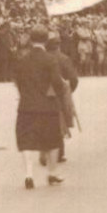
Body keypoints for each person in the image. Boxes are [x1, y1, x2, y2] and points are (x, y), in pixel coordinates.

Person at [14, 27, 68, 188]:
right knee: (52, 140)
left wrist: (25, 94)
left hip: (27, 105)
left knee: (26, 140)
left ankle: (29, 174)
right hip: (47, 105)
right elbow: (57, 83)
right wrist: (59, 93)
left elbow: (18, 81)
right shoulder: (50, 59)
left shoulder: (22, 60)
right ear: (46, 41)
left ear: (31, 40)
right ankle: (52, 173)